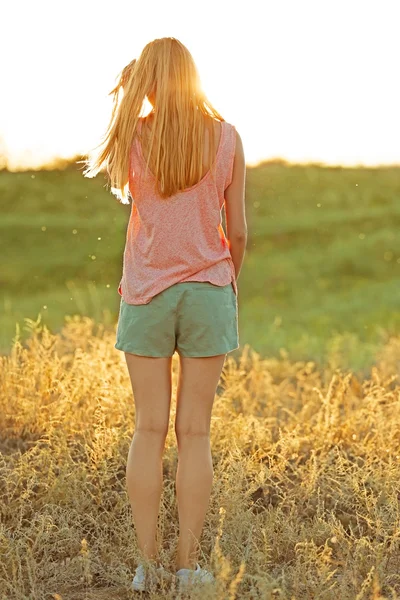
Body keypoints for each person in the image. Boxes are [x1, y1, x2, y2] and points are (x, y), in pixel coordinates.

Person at [84, 36, 247, 594]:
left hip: (147, 294)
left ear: (151, 78)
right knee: (195, 431)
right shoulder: (227, 137)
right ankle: (186, 569)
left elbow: (117, 158)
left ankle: (144, 567)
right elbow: (239, 230)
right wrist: (226, 284)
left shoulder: (132, 137)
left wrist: (131, 88)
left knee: (148, 429)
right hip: (208, 290)